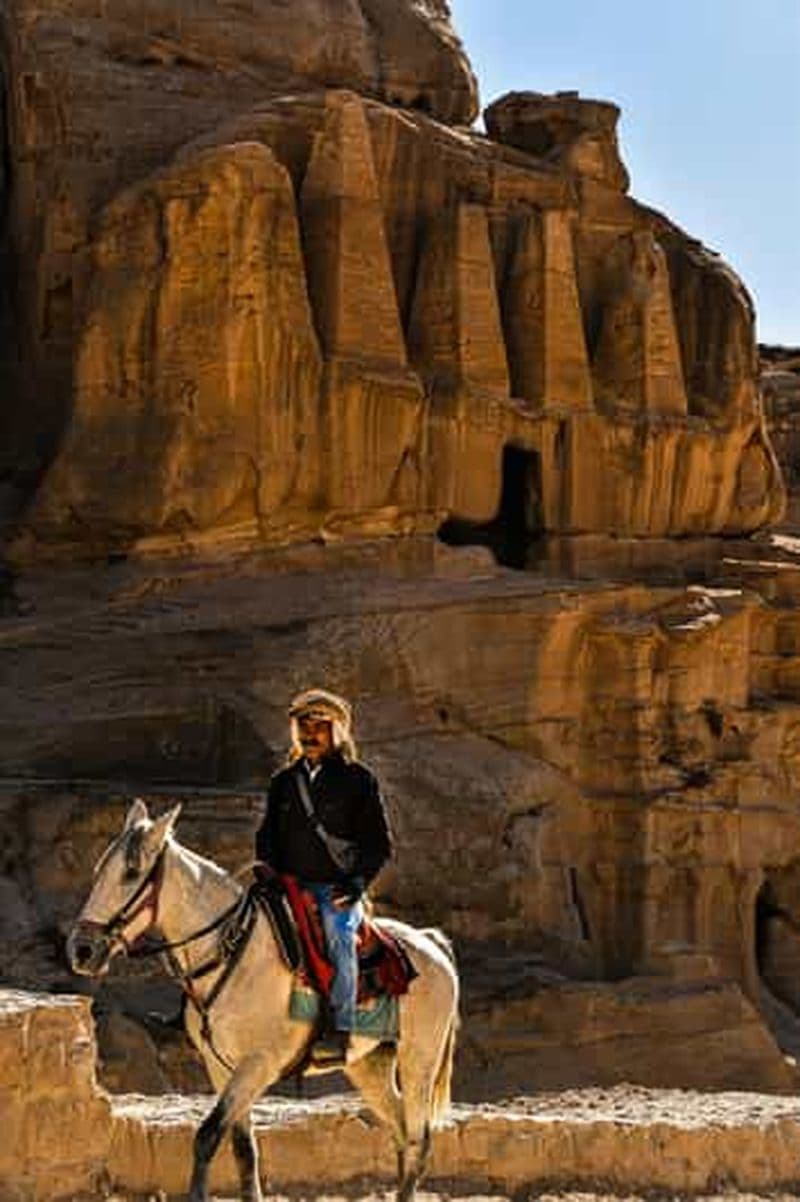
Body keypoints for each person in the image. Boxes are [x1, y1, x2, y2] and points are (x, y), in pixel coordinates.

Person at [255, 688, 393, 1063]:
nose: (309, 734)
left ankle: (341, 1029)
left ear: (337, 731)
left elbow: (378, 844)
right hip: (288, 887)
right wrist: (266, 868)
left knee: (340, 937)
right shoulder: (284, 782)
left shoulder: (358, 780)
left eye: (319, 726)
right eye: (303, 726)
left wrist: (357, 884)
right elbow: (267, 835)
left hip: (337, 890)